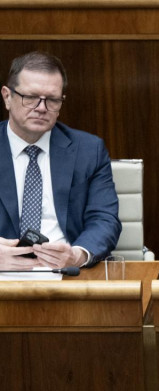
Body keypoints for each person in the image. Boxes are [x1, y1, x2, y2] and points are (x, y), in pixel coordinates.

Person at [0, 51, 120, 270]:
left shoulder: (88, 150)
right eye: (31, 98)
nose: (42, 108)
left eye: (52, 100)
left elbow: (104, 220)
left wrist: (77, 255)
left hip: (66, 275)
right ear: (8, 97)